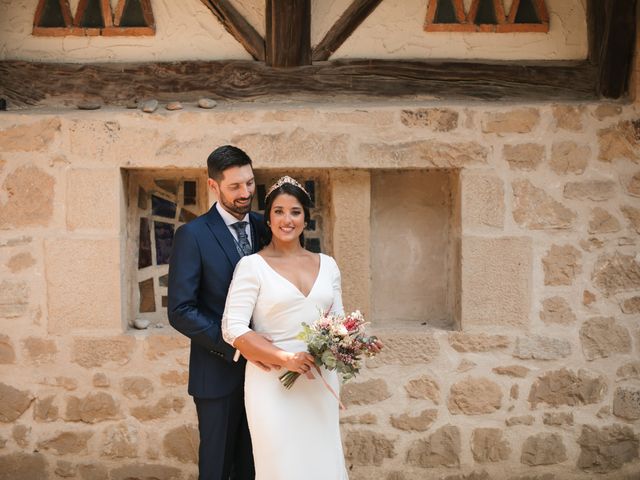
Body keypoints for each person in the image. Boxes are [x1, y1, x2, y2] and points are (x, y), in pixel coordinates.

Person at [221, 176, 349, 480]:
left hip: (319, 379)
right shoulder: (252, 266)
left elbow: (340, 321)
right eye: (278, 211)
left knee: (323, 462)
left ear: (305, 218)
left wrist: (347, 344)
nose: (286, 219)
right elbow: (232, 327)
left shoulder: (328, 265)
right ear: (268, 219)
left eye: (294, 212)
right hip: (272, 383)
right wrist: (283, 358)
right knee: (281, 464)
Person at [168, 145, 267, 480]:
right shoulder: (192, 235)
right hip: (217, 373)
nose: (246, 193)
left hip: (266, 376)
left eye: (250, 183)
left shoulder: (265, 226)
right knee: (216, 468)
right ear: (213, 185)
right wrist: (238, 345)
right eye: (235, 186)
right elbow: (181, 310)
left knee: (255, 467)